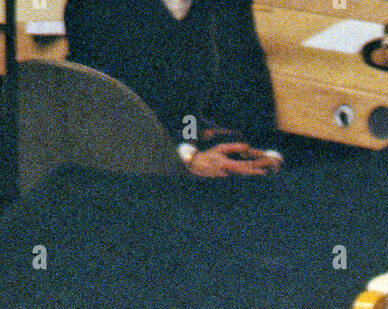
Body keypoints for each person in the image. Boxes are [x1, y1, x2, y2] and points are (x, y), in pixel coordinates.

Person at [64, 0, 283, 177]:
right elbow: (100, 117)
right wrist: (188, 156)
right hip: (135, 174)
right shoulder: (92, 7)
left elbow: (251, 77)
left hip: (207, 146)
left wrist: (265, 150)